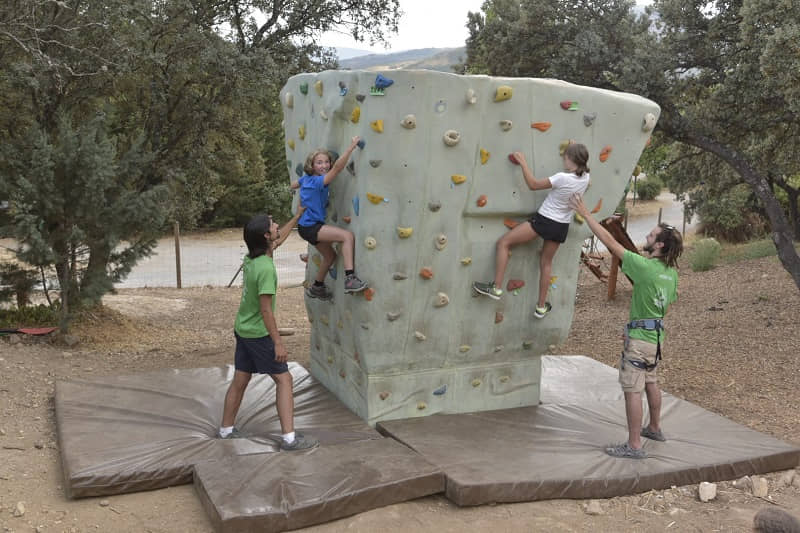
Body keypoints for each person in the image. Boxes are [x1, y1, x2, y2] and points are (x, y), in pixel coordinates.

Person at [570, 193, 683, 459]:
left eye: (652, 236)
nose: (647, 238)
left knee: (633, 389)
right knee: (651, 381)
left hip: (641, 339)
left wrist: (586, 214)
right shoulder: (671, 274)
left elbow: (610, 242)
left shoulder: (644, 267)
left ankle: (634, 445)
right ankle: (654, 427)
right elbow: (665, 307)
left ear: (660, 246)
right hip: (655, 337)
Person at [219, 207, 318, 451]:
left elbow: (278, 240)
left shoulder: (252, 258)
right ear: (265, 236)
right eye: (273, 225)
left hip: (242, 328)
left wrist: (296, 216)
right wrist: (277, 343)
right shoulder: (265, 269)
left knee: (241, 379)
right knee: (284, 379)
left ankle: (226, 430)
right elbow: (266, 310)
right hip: (258, 333)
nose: (276, 227)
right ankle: (290, 439)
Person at [473, 143, 591, 318]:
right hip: (561, 226)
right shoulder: (586, 177)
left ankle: (496, 287)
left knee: (504, 243)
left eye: (565, 157)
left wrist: (523, 162)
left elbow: (534, 185)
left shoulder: (562, 178)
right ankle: (541, 307)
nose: (563, 160)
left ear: (572, 159)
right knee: (546, 264)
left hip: (544, 221)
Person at [292, 136, 368, 300]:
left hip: (306, 227)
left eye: (326, 162)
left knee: (330, 257)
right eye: (319, 163)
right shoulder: (318, 181)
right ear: (311, 165)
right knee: (347, 236)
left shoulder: (306, 179)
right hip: (311, 226)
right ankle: (350, 279)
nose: (324, 165)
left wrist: (297, 191)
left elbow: (295, 184)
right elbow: (338, 169)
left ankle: (317, 287)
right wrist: (351, 147)